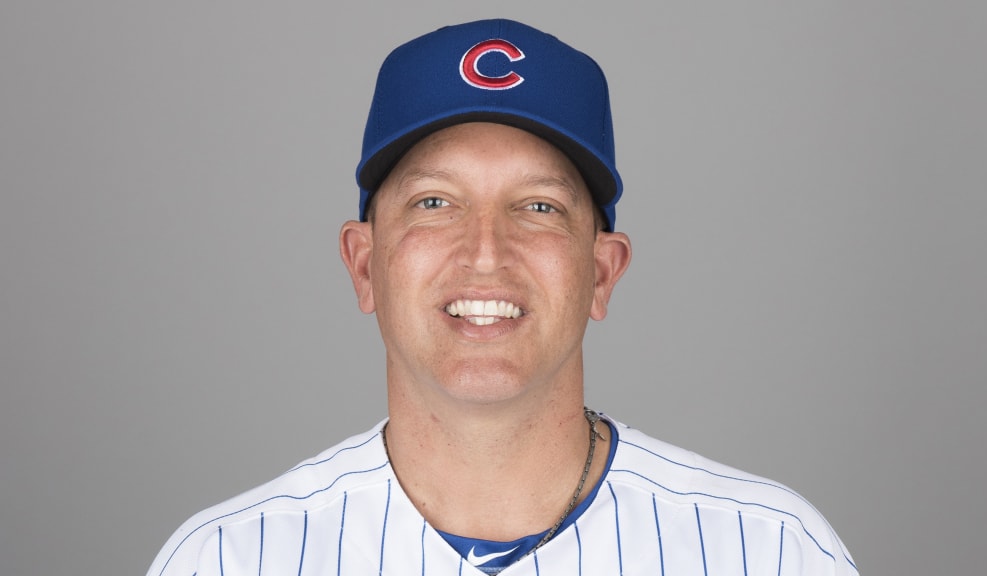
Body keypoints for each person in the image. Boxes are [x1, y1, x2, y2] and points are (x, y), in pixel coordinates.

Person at [147, 19, 858, 575]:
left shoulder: (770, 554)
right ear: (364, 265)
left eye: (539, 207)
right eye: (434, 202)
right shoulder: (225, 560)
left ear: (601, 273)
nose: (485, 252)